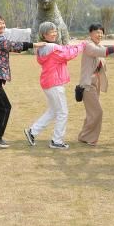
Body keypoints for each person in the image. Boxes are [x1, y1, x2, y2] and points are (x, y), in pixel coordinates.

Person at [0, 14, 43, 148]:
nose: (2, 25)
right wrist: (34, 44)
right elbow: (13, 45)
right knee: (5, 107)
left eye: (3, 23)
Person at [24, 21, 85, 149]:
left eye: (55, 31)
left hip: (48, 83)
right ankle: (57, 141)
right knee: (62, 112)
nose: (54, 33)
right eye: (50, 32)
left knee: (53, 111)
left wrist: (77, 46)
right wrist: (81, 46)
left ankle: (32, 132)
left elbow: (64, 49)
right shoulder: (52, 48)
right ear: (44, 35)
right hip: (54, 83)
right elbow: (68, 54)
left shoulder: (43, 47)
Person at [75, 23, 114, 146]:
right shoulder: (88, 46)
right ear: (90, 33)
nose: (99, 35)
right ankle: (90, 138)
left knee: (92, 113)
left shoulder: (98, 45)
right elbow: (103, 52)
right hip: (87, 85)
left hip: (96, 84)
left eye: (101, 32)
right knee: (97, 112)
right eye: (97, 32)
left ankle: (84, 136)